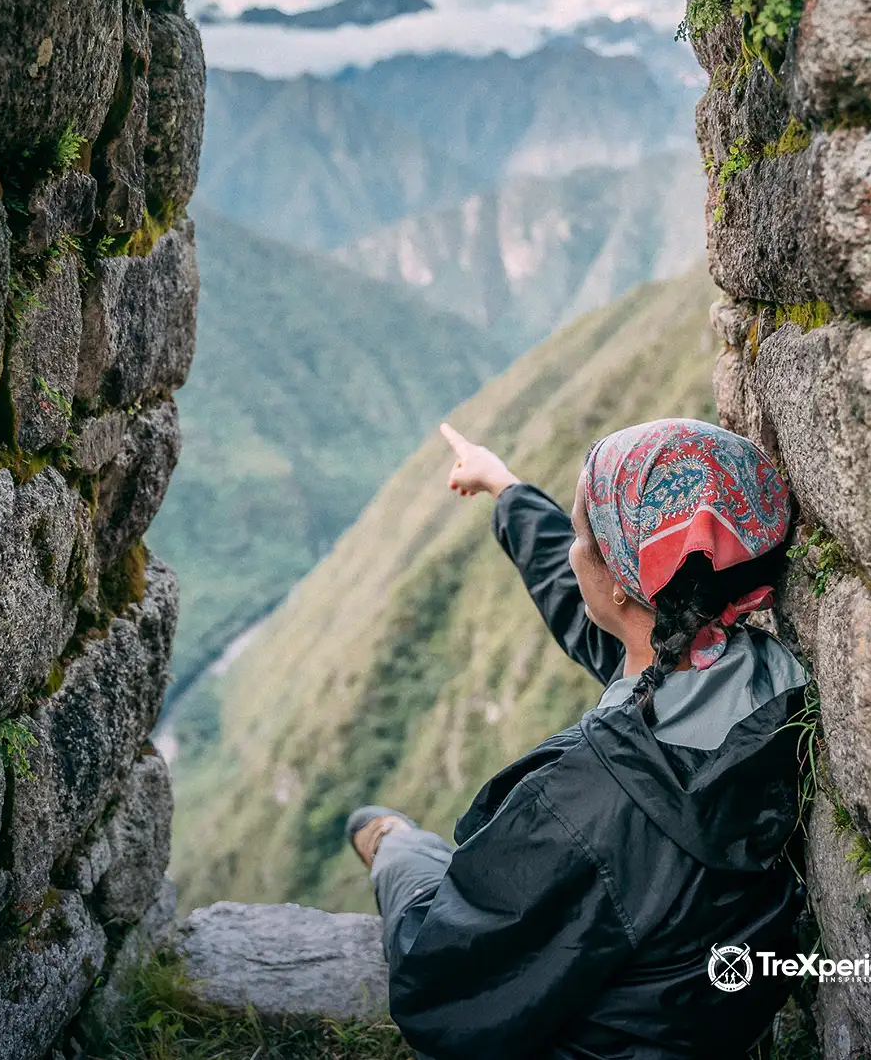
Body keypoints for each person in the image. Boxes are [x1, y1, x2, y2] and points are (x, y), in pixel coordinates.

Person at [345, 417, 809, 1060]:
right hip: (700, 1024)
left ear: (621, 581)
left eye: (581, 534)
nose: (570, 548)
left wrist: (399, 851)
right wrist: (504, 488)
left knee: (393, 845)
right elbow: (588, 607)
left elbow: (440, 975)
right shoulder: (763, 680)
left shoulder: (578, 807)